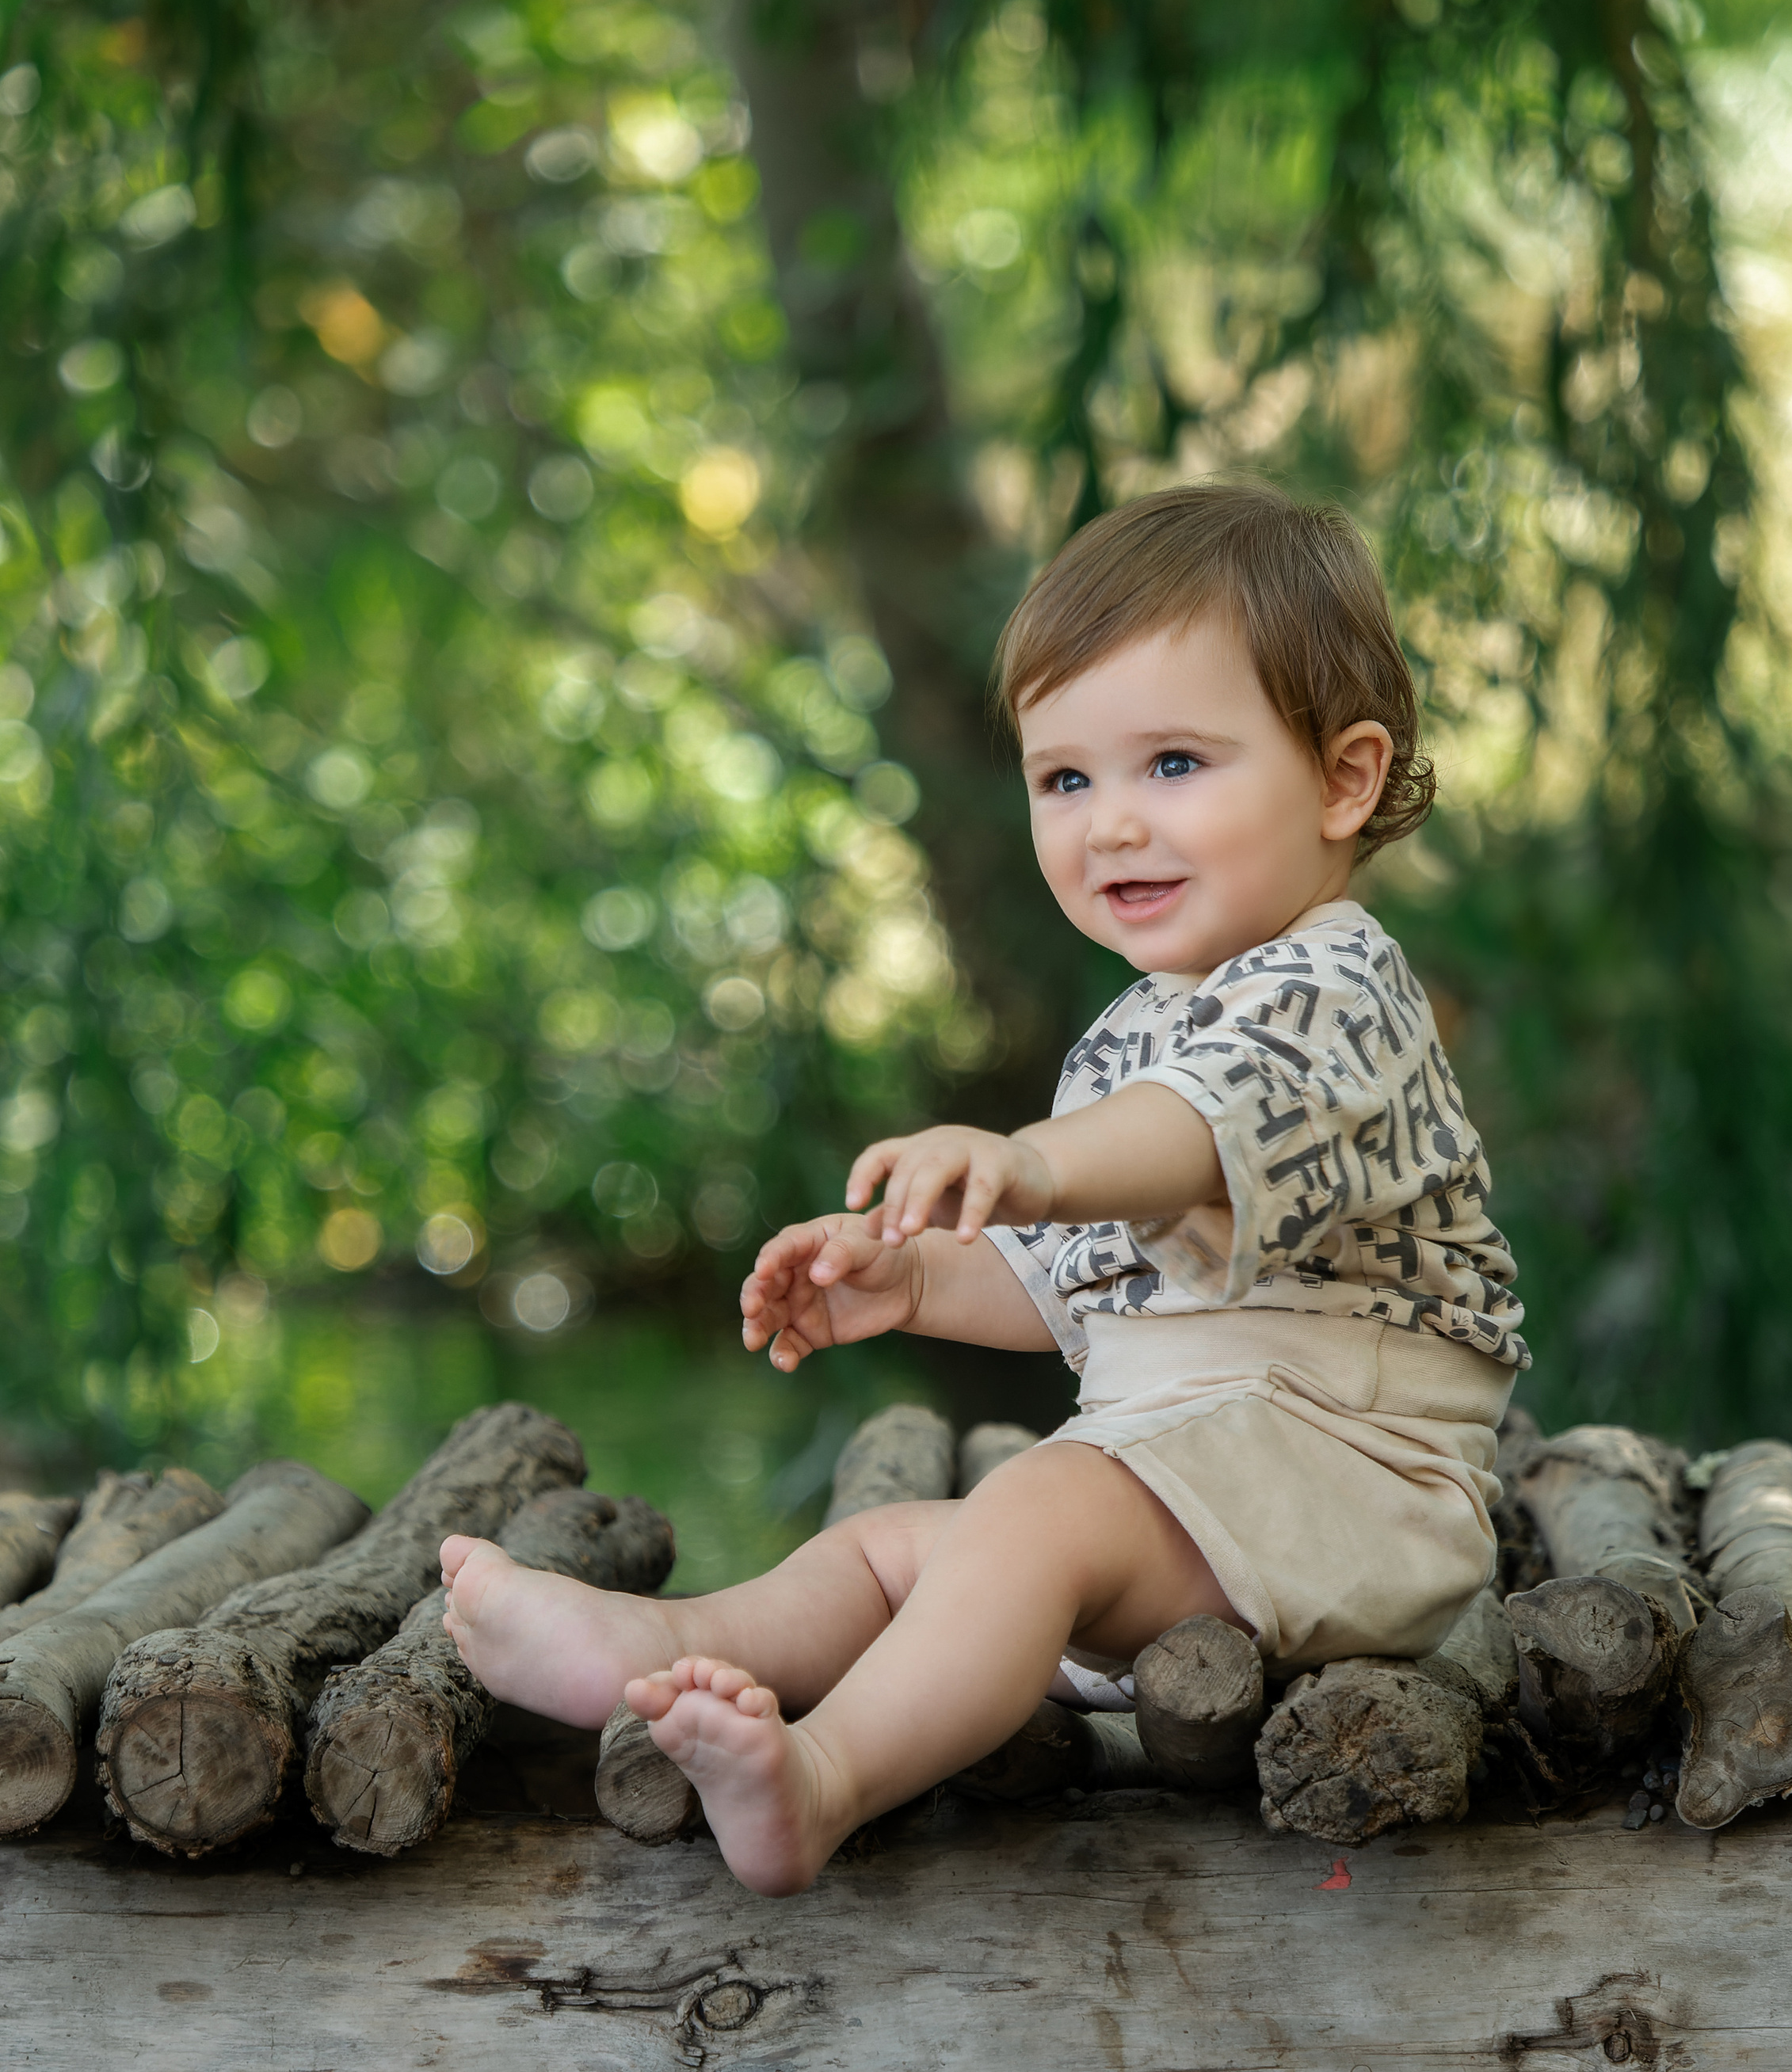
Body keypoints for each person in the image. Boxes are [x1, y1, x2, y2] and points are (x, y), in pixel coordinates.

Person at [440, 481, 1529, 1895]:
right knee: (897, 1547)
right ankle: (659, 1650)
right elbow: (1081, 1273)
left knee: (1035, 1505)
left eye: (1174, 765)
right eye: (1066, 780)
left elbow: (1190, 1140)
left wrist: (1021, 1164)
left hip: (1346, 1488)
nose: (1112, 825)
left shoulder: (1339, 986)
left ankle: (822, 1782)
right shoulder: (1136, 1031)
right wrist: (913, 1277)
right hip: (1204, 1481)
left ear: (1344, 778)